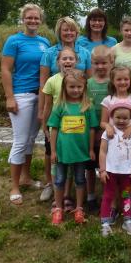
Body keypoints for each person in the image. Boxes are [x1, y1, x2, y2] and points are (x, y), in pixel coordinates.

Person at [1, 3, 50, 205]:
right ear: (23, 19)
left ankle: (26, 177)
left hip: (40, 95)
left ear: (41, 20)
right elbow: (5, 69)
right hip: (21, 95)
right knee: (20, 141)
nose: (33, 21)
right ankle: (14, 186)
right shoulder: (14, 41)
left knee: (31, 139)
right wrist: (9, 97)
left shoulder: (44, 42)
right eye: (29, 17)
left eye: (36, 18)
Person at [47, 70, 98, 225]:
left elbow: (92, 129)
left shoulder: (87, 106)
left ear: (84, 87)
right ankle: (58, 208)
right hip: (63, 152)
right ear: (65, 87)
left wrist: (90, 149)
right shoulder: (60, 106)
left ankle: (79, 208)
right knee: (60, 179)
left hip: (81, 152)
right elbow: (54, 129)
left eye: (79, 87)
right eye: (72, 87)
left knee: (80, 179)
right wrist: (53, 150)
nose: (76, 90)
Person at [40, 48, 79, 207]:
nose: (68, 61)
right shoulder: (52, 81)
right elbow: (47, 106)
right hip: (55, 128)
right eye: (64, 59)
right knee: (56, 161)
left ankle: (68, 195)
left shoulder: (78, 79)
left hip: (73, 128)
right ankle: (57, 194)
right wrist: (44, 125)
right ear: (58, 62)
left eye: (71, 58)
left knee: (70, 163)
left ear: (76, 61)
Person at [98, 101, 131, 237]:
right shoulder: (108, 132)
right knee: (108, 195)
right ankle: (105, 222)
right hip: (110, 172)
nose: (121, 121)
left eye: (125, 118)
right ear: (112, 117)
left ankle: (127, 219)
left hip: (126, 173)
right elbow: (102, 151)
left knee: (126, 196)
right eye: (118, 117)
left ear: (130, 119)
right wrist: (103, 170)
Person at [85, 45, 113, 212]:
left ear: (111, 62)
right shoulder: (87, 84)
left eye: (104, 63)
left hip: (109, 132)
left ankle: (107, 195)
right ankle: (90, 195)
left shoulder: (114, 82)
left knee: (108, 166)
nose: (100, 66)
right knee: (90, 165)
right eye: (97, 63)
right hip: (90, 132)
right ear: (92, 63)